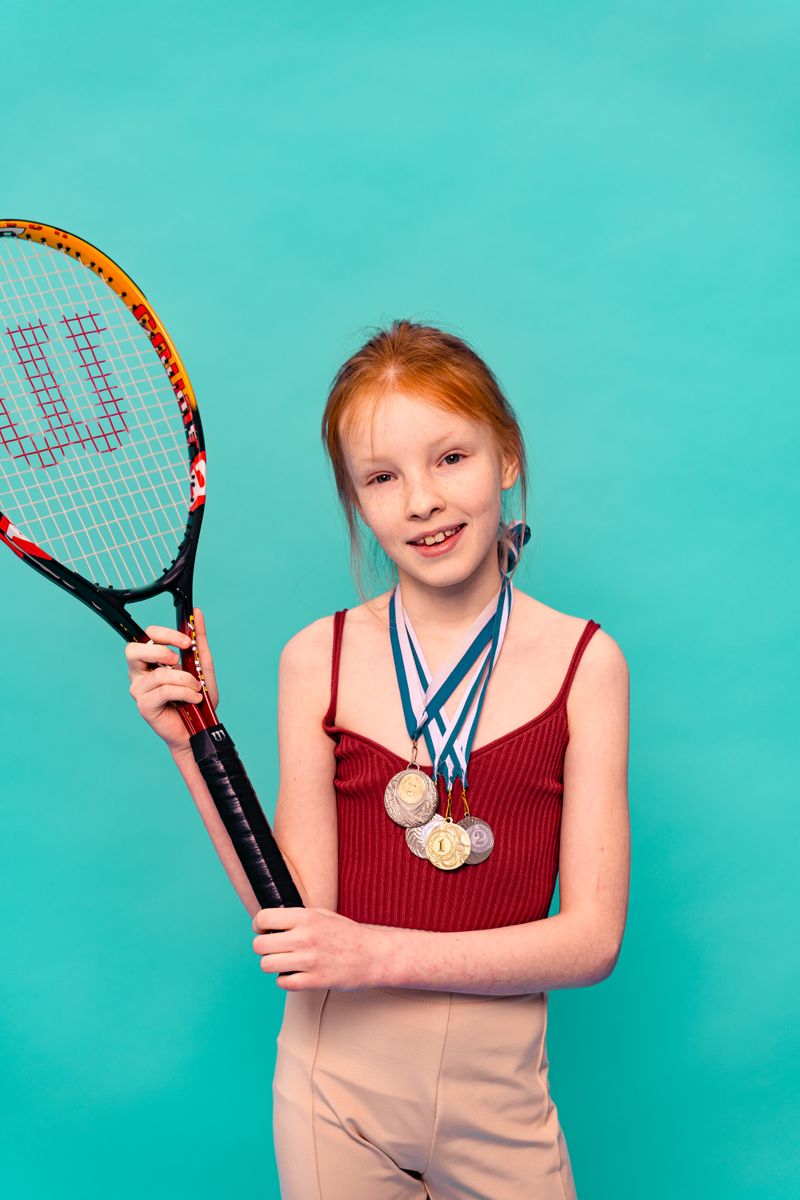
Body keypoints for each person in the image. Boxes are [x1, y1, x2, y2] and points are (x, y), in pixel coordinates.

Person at [125, 319, 630, 1199]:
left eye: (450, 458)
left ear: (506, 457)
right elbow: (299, 920)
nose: (422, 501)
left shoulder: (588, 663)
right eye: (382, 478)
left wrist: (376, 955)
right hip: (333, 1089)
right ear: (356, 501)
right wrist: (190, 749)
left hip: (501, 1102)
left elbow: (591, 942)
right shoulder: (311, 658)